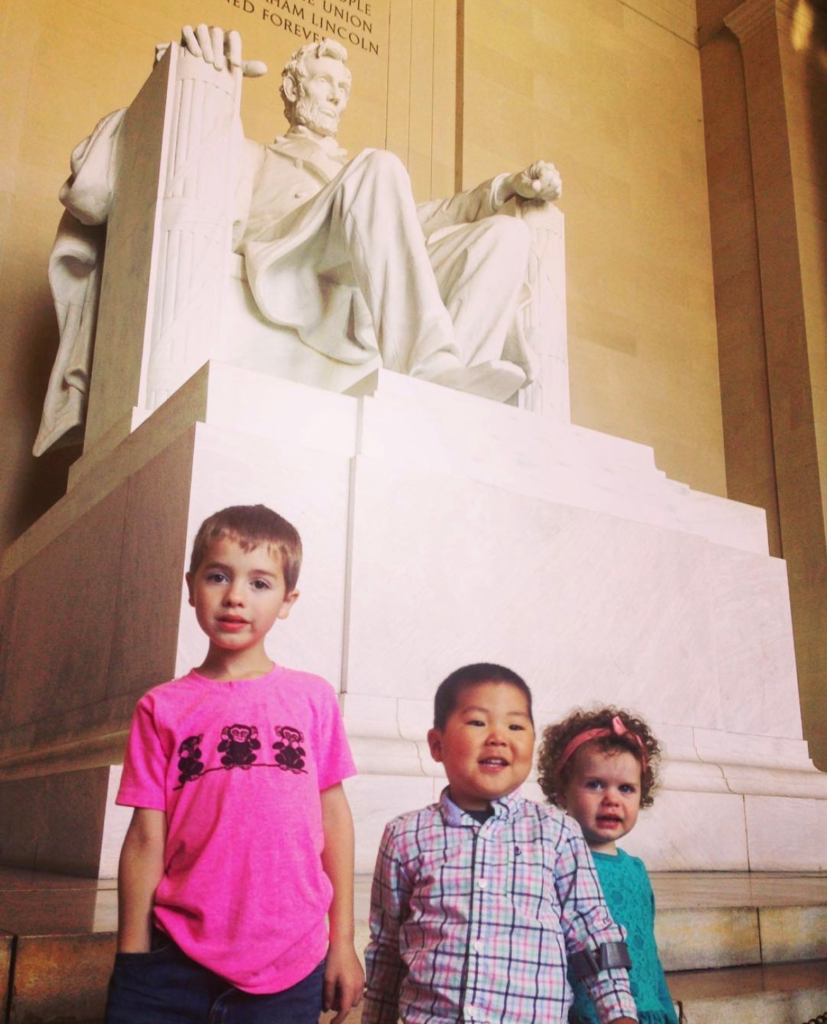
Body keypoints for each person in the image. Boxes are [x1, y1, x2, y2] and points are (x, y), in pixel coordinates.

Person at [187, 25, 562, 401]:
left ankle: (449, 397)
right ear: (292, 88)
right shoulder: (257, 155)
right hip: (290, 257)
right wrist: (203, 74)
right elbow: (203, 174)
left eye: (343, 88)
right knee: (379, 165)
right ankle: (428, 367)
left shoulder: (364, 178)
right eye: (324, 82)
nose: (336, 97)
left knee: (506, 236)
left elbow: (414, 225)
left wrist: (505, 188)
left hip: (355, 271)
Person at [104, 504, 364, 1024]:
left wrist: (342, 942)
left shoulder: (312, 699)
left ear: (287, 601)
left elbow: (334, 820)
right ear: (191, 586)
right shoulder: (160, 707)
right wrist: (133, 961)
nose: (236, 597)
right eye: (218, 576)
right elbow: (145, 838)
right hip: (173, 962)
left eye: (260, 583)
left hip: (291, 967)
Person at [363, 663, 639, 1024]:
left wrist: (619, 1014)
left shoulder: (558, 833)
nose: (498, 737)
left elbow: (594, 933)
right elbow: (387, 948)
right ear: (437, 744)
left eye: (515, 726)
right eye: (478, 722)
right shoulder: (405, 835)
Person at [537, 708, 678, 1024]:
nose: (612, 799)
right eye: (595, 785)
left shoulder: (636, 870)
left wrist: (665, 1010)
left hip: (645, 1012)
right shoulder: (554, 867)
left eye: (625, 788)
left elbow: (648, 955)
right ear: (561, 791)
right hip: (586, 1014)